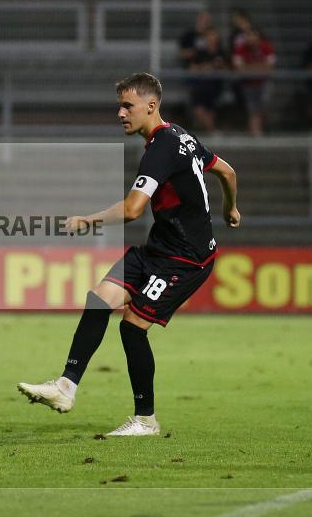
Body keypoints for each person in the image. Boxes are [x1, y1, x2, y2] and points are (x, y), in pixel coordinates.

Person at [18, 73, 240, 436]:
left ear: (150, 106)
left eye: (127, 106)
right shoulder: (181, 135)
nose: (120, 113)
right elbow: (227, 172)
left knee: (132, 327)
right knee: (100, 299)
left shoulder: (162, 147)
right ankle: (65, 387)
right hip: (158, 248)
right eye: (119, 106)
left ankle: (146, 420)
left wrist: (87, 220)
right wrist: (231, 209)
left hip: (186, 259)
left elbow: (134, 209)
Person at [232, 27, 276, 135]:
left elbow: (269, 68)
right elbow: (239, 69)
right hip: (248, 84)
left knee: (263, 107)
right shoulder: (240, 48)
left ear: (258, 37)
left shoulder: (266, 47)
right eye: (248, 36)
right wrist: (259, 68)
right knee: (252, 110)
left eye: (252, 36)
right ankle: (255, 132)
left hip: (263, 83)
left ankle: (257, 130)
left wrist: (249, 68)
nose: (250, 39)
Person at [187, 27, 228, 133]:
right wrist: (205, 67)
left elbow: (229, 69)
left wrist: (217, 67)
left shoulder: (221, 53)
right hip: (200, 85)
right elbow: (192, 69)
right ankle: (212, 130)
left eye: (213, 36)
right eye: (208, 36)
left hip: (215, 85)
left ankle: (210, 130)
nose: (211, 38)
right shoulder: (200, 52)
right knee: (199, 111)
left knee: (210, 109)